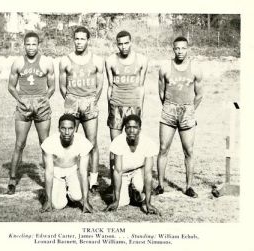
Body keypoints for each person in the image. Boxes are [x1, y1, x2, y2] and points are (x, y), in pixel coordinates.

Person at [7, 31, 55, 195]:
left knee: (45, 144)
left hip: (41, 105)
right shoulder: (18, 62)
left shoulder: (47, 62)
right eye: (28, 44)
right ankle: (12, 180)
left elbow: (52, 86)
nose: (31, 47)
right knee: (20, 144)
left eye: (34, 44)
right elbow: (11, 86)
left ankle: (49, 180)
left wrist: (45, 99)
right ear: (24, 45)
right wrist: (20, 99)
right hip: (24, 104)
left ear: (38, 45)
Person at [155, 36, 203, 198]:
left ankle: (189, 186)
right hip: (169, 110)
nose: (180, 51)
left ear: (187, 49)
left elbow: (199, 94)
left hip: (187, 112)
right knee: (163, 148)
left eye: (183, 48)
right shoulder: (165, 68)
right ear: (173, 49)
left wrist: (190, 110)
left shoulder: (195, 69)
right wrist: (170, 106)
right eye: (177, 48)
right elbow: (161, 91)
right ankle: (160, 185)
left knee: (189, 150)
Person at [59, 26, 104, 192]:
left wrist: (92, 100)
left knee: (92, 143)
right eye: (76, 39)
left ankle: (93, 180)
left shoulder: (98, 60)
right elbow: (62, 86)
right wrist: (72, 101)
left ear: (88, 40)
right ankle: (68, 177)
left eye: (82, 39)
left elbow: (100, 85)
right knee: (68, 141)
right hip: (72, 102)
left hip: (90, 103)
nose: (79, 42)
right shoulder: (65, 60)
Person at [105, 30, 148, 173]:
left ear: (131, 42)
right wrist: (109, 108)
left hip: (133, 105)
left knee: (134, 144)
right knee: (115, 146)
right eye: (120, 44)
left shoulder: (142, 60)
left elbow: (141, 87)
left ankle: (134, 183)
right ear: (116, 45)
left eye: (126, 43)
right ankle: (114, 184)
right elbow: (110, 87)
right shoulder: (110, 60)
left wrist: (140, 109)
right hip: (116, 105)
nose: (123, 47)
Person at [105, 115, 158, 214]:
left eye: (135, 127)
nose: (132, 130)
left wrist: (148, 203)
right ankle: (126, 191)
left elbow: (148, 174)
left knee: (139, 190)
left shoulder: (148, 143)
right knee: (122, 202)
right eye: (128, 127)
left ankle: (136, 191)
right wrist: (116, 200)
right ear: (125, 129)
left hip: (138, 171)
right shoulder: (118, 141)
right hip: (124, 174)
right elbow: (117, 171)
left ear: (140, 129)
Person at [40, 114, 93, 213]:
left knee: (77, 197)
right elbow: (49, 172)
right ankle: (50, 193)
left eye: (70, 128)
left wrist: (86, 201)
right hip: (57, 173)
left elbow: (83, 172)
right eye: (63, 128)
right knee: (58, 205)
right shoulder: (49, 142)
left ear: (75, 128)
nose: (67, 132)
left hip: (73, 171)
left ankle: (68, 190)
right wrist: (48, 200)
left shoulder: (83, 142)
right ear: (59, 128)